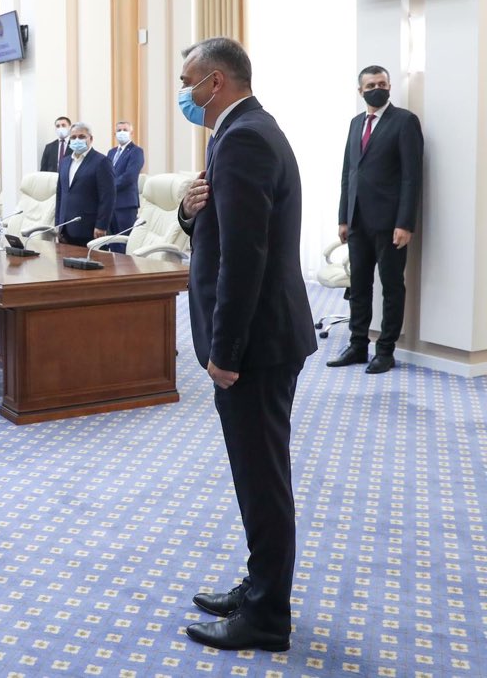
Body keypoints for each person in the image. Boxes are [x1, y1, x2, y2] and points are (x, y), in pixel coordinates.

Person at [176, 37, 316, 651]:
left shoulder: (245, 140)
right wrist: (188, 213)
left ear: (217, 82)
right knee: (258, 475)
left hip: (256, 345)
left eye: (188, 81)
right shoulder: (238, 133)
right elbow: (222, 228)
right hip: (263, 338)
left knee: (262, 480)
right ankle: (261, 586)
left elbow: (245, 256)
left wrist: (225, 351)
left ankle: (266, 617)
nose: (183, 93)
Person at [327, 65, 424, 374]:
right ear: (361, 91)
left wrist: (405, 223)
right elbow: (348, 173)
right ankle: (358, 345)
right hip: (357, 222)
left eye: (382, 84)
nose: (377, 89)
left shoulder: (405, 122)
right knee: (359, 287)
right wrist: (343, 218)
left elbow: (411, 177)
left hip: (390, 224)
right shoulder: (356, 123)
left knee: (392, 288)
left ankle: (385, 350)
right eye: (371, 85)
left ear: (390, 86)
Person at [54, 122, 115, 247]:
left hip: (90, 230)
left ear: (90, 139)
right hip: (65, 229)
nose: (77, 140)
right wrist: (58, 224)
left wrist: (101, 225)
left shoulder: (101, 162)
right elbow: (60, 194)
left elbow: (108, 197)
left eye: (81, 137)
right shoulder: (64, 162)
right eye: (73, 137)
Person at [105, 120, 145, 249]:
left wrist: (108, 187)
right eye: (119, 130)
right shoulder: (111, 152)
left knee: (123, 243)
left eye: (125, 130)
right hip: (110, 204)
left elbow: (130, 176)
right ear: (114, 134)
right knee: (111, 242)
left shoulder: (136, 151)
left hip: (126, 204)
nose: (122, 132)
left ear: (131, 133)